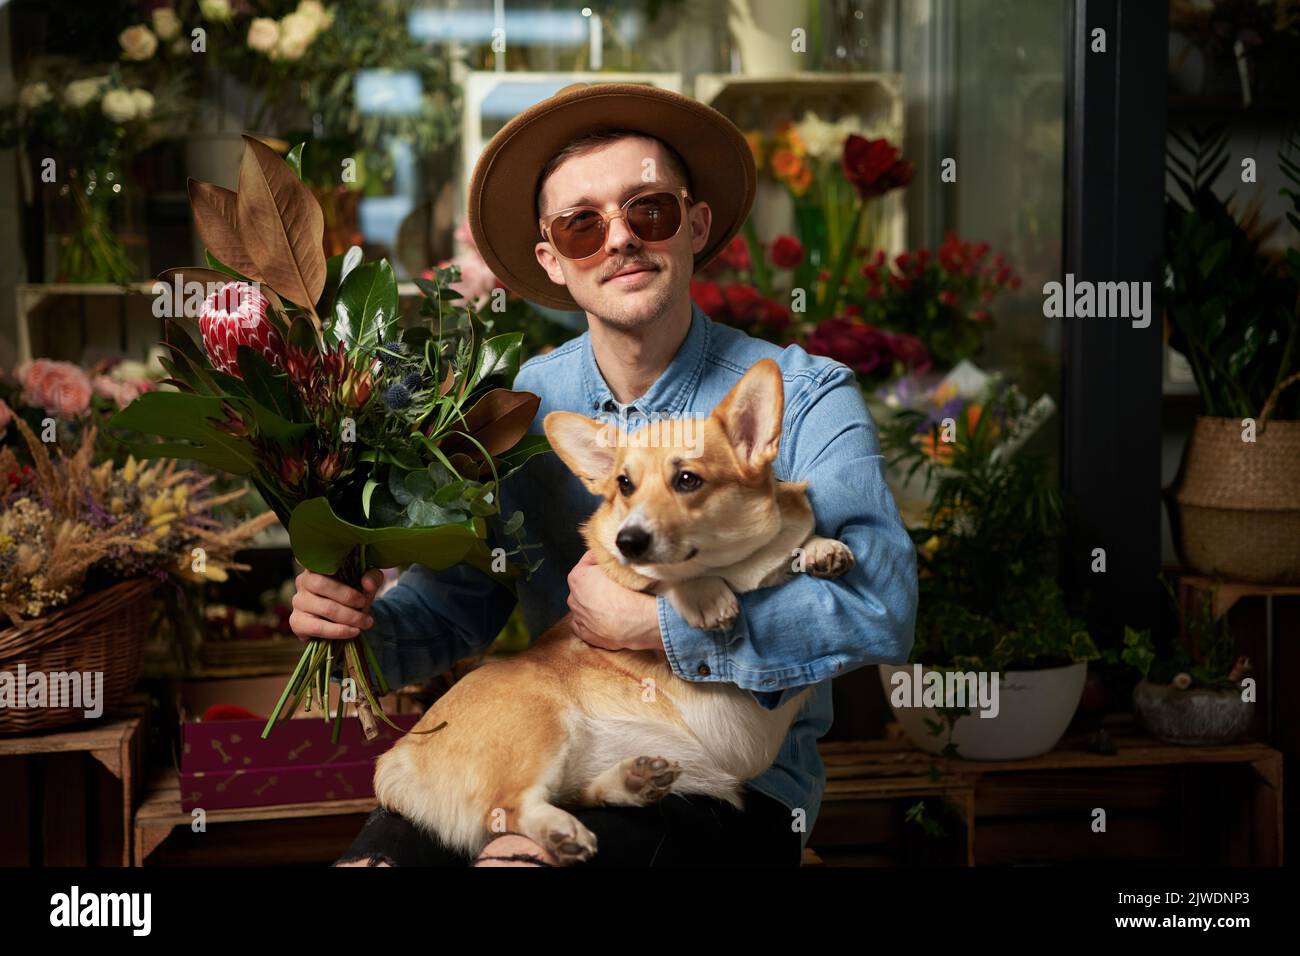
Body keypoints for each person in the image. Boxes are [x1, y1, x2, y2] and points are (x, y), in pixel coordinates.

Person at [292, 83, 918, 867]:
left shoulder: (804, 395)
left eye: (647, 210)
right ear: (553, 260)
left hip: (723, 781)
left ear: (695, 224)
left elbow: (884, 605)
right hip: (556, 743)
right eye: (583, 224)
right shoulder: (517, 411)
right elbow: (459, 604)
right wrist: (351, 627)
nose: (619, 239)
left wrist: (660, 627)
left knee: (514, 864)